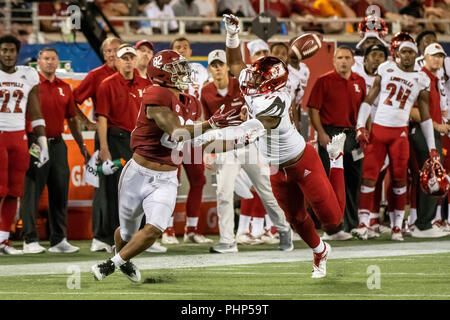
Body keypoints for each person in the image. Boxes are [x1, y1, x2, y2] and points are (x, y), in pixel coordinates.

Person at [202, 14, 348, 278]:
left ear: (270, 84)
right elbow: (236, 64)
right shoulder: (256, 83)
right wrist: (233, 34)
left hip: (302, 161)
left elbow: (248, 130)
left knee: (332, 221)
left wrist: (207, 135)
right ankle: (320, 251)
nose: (251, 79)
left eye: (258, 78)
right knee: (296, 219)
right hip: (275, 167)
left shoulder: (275, 102)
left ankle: (336, 159)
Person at [90, 49, 239, 281]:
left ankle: (112, 264)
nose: (184, 71)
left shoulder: (191, 102)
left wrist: (241, 141)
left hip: (167, 178)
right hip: (138, 172)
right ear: (162, 73)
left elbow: (199, 141)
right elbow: (178, 133)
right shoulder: (156, 93)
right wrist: (210, 124)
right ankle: (124, 258)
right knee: (127, 233)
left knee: (154, 229)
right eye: (177, 68)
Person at [201, 49, 293, 251]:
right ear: (210, 68)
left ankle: (284, 229)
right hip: (225, 146)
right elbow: (205, 121)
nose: (218, 69)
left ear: (227, 67)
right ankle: (228, 240)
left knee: (266, 190)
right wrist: (207, 151)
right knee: (223, 193)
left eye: (221, 64)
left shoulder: (242, 84)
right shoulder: (205, 91)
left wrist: (249, 114)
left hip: (250, 142)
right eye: (214, 65)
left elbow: (259, 105)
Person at [355, 41, 439, 241]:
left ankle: (396, 227)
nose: (408, 56)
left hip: (400, 133)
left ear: (416, 54)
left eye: (411, 52)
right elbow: (369, 99)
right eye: (404, 52)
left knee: (400, 179)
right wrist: (360, 126)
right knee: (369, 177)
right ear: (398, 54)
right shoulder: (386, 68)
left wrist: (432, 147)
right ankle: (363, 224)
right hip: (378, 129)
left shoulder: (421, 78)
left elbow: (425, 116)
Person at [20, 48, 89, 254]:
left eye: (53, 59)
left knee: (60, 192)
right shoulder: (31, 86)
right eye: (46, 59)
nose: (50, 62)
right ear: (38, 62)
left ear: (58, 62)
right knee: (32, 191)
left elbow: (72, 120)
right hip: (35, 143)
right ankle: (29, 239)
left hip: (58, 144)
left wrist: (81, 145)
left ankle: (59, 240)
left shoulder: (65, 88)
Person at [94, 44, 152, 251]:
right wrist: (104, 147)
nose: (128, 61)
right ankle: (113, 237)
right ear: (117, 61)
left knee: (144, 189)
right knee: (117, 189)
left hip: (140, 142)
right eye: (124, 58)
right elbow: (102, 118)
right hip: (117, 140)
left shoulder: (147, 84)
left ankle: (142, 236)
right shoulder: (107, 85)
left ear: (136, 60)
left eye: (130, 57)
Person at [308, 46, 367, 240]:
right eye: (339, 57)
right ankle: (332, 227)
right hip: (331, 134)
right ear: (333, 61)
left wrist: (364, 132)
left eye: (347, 57)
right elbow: (313, 110)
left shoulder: (360, 82)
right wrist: (322, 133)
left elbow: (365, 110)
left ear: (353, 61)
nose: (343, 61)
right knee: (330, 183)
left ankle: (350, 224)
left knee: (352, 181)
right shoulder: (324, 81)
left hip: (352, 135)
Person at [0, 35, 49, 254]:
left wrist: (42, 140)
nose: (7, 54)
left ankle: (3, 240)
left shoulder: (28, 74)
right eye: (4, 50)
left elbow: (35, 110)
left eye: (11, 50)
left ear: (17, 52)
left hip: (19, 137)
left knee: (14, 191)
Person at [73, 37, 122, 253]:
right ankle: (101, 236)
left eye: (116, 50)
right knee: (103, 187)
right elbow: (72, 101)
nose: (112, 54)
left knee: (127, 188)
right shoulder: (96, 75)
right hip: (106, 137)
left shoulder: (132, 76)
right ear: (104, 55)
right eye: (109, 51)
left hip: (128, 138)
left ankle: (123, 235)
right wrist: (86, 122)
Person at [164, 37, 210, 244]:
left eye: (184, 47)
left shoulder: (199, 70)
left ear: (191, 51)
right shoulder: (166, 70)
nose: (181, 50)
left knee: (198, 179)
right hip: (173, 131)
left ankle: (192, 229)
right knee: (170, 181)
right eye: (177, 47)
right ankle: (167, 228)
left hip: (193, 130)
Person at [408, 43, 449, 238]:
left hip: (431, 133)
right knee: (431, 177)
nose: (437, 59)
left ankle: (424, 222)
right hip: (424, 134)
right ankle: (423, 225)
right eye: (433, 56)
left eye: (440, 56)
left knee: (431, 176)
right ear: (424, 58)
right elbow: (413, 111)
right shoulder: (421, 78)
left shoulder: (434, 79)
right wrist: (437, 126)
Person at [351, 44, 392, 239]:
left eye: (381, 55)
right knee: (364, 176)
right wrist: (361, 127)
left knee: (380, 174)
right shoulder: (357, 77)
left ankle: (373, 219)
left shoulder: (390, 75)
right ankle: (361, 219)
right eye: (373, 55)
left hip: (384, 129)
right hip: (364, 132)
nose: (377, 59)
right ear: (364, 58)